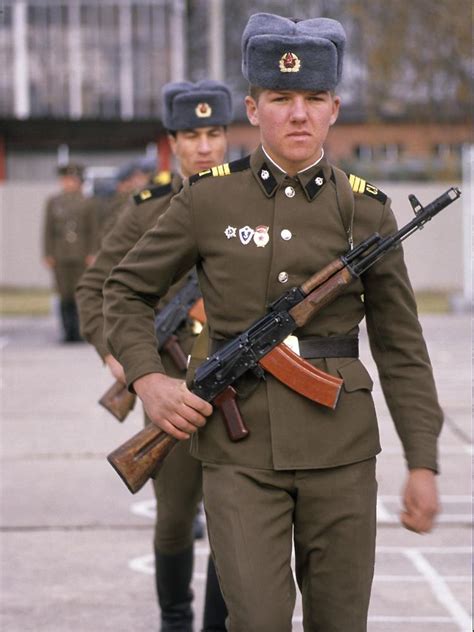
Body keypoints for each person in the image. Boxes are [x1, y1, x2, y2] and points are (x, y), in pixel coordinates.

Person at [102, 14, 442, 632]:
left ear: (335, 108)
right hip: (240, 455)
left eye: (314, 99)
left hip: (341, 451)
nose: (298, 114)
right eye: (281, 99)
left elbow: (400, 346)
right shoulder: (209, 199)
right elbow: (123, 291)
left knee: (340, 622)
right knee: (256, 619)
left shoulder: (366, 209)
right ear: (254, 109)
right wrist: (149, 382)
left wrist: (423, 459)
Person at [76, 80, 232, 631]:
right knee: (173, 518)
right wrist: (118, 358)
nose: (206, 146)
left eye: (215, 133)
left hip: (237, 386)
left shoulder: (248, 198)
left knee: (232, 523)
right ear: (173, 142)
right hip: (168, 387)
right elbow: (96, 287)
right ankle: (175, 618)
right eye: (193, 135)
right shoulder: (147, 210)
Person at [42, 163, 98, 342]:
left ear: (79, 182)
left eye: (71, 180)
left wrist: (92, 252)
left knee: (80, 294)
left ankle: (81, 332)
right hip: (60, 254)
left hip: (81, 254)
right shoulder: (54, 202)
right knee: (64, 294)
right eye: (65, 179)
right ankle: (67, 332)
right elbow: (47, 230)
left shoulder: (88, 202)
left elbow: (94, 230)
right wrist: (48, 253)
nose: (67, 183)